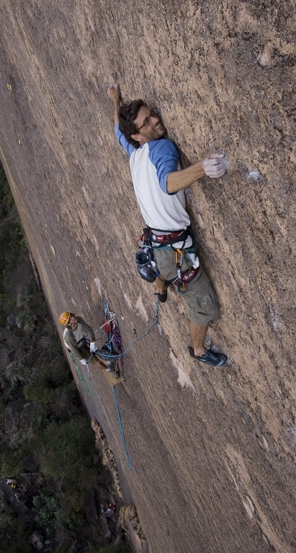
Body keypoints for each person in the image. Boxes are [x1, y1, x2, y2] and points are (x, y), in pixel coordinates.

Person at [107, 83, 227, 367]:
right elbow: (168, 183)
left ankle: (161, 288)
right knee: (206, 308)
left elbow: (117, 131)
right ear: (137, 135)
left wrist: (116, 101)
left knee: (164, 270)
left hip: (157, 241)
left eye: (152, 115)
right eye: (146, 122)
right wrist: (202, 169)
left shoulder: (134, 153)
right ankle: (198, 350)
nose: (155, 121)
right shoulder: (161, 147)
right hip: (172, 251)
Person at [59, 312, 118, 376]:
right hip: (77, 347)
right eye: (70, 319)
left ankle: (108, 361)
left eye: (71, 315)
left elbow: (88, 330)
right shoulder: (68, 336)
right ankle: (109, 370)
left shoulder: (79, 320)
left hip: (82, 339)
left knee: (96, 351)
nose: (73, 317)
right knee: (95, 360)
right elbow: (74, 350)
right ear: (69, 324)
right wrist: (81, 359)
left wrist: (92, 342)